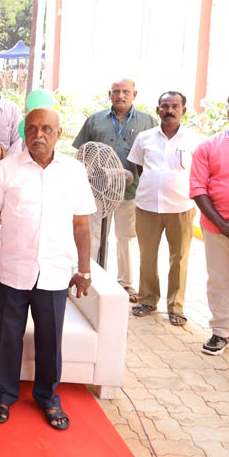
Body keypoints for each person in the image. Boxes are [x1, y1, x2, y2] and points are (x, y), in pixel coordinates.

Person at [0, 109, 96, 430]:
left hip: (55, 273)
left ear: (59, 134)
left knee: (49, 340)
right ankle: (4, 394)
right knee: (7, 338)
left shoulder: (74, 171)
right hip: (11, 272)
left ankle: (47, 397)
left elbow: (82, 224)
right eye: (31, 129)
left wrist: (83, 270)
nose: (38, 135)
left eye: (46, 129)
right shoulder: (5, 170)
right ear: (24, 133)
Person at [73, 78, 157, 301]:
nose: (121, 95)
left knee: (125, 237)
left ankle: (126, 284)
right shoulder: (95, 120)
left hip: (130, 193)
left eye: (126, 92)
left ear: (134, 94)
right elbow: (80, 154)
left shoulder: (148, 122)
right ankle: (88, 276)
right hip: (97, 192)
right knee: (93, 237)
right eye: (116, 91)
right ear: (110, 94)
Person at [128, 92, 205, 326]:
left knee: (179, 258)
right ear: (157, 109)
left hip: (181, 207)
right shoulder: (144, 137)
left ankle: (176, 307)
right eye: (164, 106)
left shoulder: (195, 139)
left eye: (174, 106)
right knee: (147, 256)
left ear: (183, 110)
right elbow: (141, 168)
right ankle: (148, 300)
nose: (169, 110)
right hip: (147, 206)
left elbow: (199, 172)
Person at [191, 91, 229, 355]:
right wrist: (224, 225)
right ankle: (221, 332)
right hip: (217, 228)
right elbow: (197, 188)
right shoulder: (208, 147)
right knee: (219, 280)